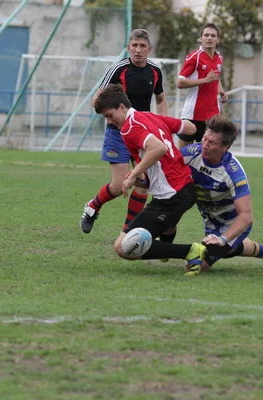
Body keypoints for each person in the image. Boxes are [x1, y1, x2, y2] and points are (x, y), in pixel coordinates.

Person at [93, 84, 207, 271]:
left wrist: (133, 175)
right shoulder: (149, 116)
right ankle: (166, 242)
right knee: (166, 226)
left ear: (121, 107)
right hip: (186, 188)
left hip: (171, 196)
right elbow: (189, 127)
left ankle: (191, 251)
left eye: (109, 115)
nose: (109, 121)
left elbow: (159, 148)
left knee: (122, 247)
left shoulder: (129, 128)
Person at [80, 28, 168, 235]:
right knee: (120, 186)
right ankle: (92, 206)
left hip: (142, 133)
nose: (138, 50)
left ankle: (129, 230)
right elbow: (97, 99)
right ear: (128, 48)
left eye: (142, 46)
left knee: (143, 183)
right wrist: (112, 107)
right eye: (134, 46)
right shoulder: (118, 69)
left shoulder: (155, 71)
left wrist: (162, 123)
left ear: (149, 49)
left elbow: (161, 99)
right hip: (117, 133)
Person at [180, 114, 263, 275]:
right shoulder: (190, 154)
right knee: (228, 250)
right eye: (204, 139)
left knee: (194, 266)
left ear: (225, 147)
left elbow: (246, 216)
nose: (205, 145)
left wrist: (223, 239)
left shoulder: (233, 172)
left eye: (212, 142)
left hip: (234, 223)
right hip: (210, 218)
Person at [176, 23, 228, 148]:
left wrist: (221, 92)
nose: (209, 38)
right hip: (191, 115)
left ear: (218, 39)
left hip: (212, 116)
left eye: (213, 35)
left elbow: (216, 77)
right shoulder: (194, 57)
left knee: (207, 155)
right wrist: (205, 80)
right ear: (201, 38)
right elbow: (180, 82)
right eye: (206, 35)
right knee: (183, 156)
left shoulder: (219, 58)